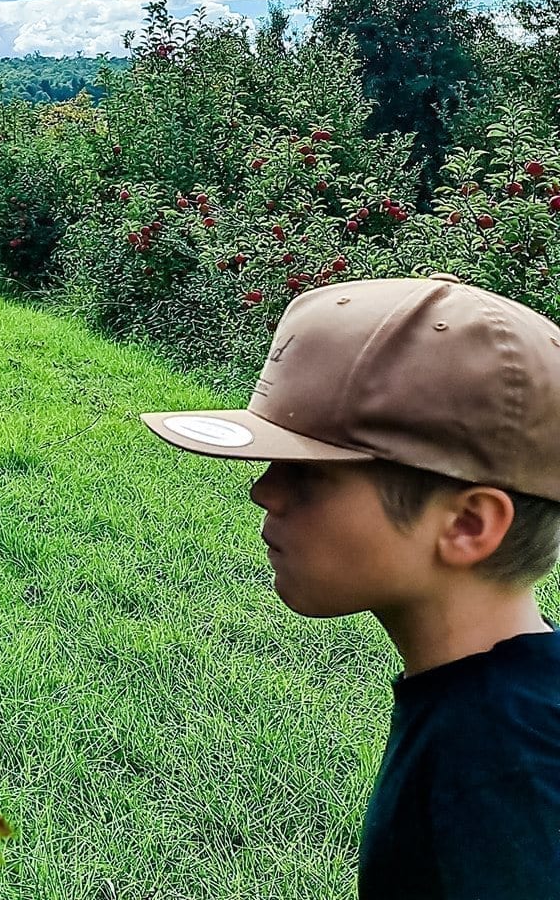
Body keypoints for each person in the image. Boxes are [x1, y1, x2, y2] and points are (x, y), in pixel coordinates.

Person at [141, 274, 560, 898]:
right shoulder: (517, 702)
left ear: (468, 524)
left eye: (310, 475)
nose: (264, 491)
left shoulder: (492, 783)